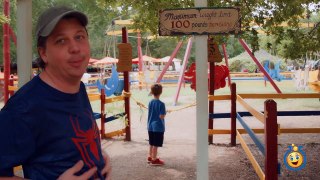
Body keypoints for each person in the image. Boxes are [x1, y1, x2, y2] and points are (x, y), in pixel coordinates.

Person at [0, 6, 111, 179]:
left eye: (79, 37)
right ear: (43, 53)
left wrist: (96, 156)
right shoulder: (24, 109)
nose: (75, 47)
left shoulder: (78, 88)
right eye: (61, 40)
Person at [147, 83, 166, 166]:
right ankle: (154, 160)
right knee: (156, 144)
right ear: (161, 92)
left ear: (152, 92)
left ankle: (150, 157)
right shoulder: (161, 104)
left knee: (151, 143)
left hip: (150, 126)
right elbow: (161, 116)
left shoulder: (150, 102)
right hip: (158, 127)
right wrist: (165, 113)